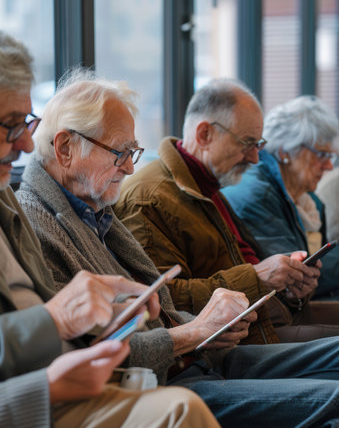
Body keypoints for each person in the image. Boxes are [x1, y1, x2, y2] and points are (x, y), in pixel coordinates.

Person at [15, 68, 339, 427]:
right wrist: (197, 330)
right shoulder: (36, 225)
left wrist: (209, 327)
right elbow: (92, 356)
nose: (127, 168)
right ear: (64, 148)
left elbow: (163, 310)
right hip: (164, 381)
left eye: (133, 152)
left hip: (199, 360)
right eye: (120, 152)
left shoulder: (96, 209)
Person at [0, 30, 221, 428]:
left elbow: (82, 327)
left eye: (25, 123)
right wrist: (60, 322)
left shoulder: (19, 202)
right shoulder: (37, 212)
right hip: (52, 391)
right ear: (65, 148)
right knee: (182, 409)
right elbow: (55, 326)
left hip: (114, 373)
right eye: (11, 126)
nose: (27, 146)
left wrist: (107, 318)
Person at [115, 78, 339, 342]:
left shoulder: (209, 184)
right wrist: (257, 277)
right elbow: (160, 301)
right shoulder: (150, 197)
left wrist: (289, 290)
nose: (255, 157)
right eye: (246, 143)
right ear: (204, 135)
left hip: (259, 332)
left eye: (258, 144)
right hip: (222, 353)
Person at [224, 95, 339, 300]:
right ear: (284, 152)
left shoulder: (309, 201)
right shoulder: (258, 194)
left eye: (331, 156)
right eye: (321, 154)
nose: (329, 166)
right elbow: (296, 277)